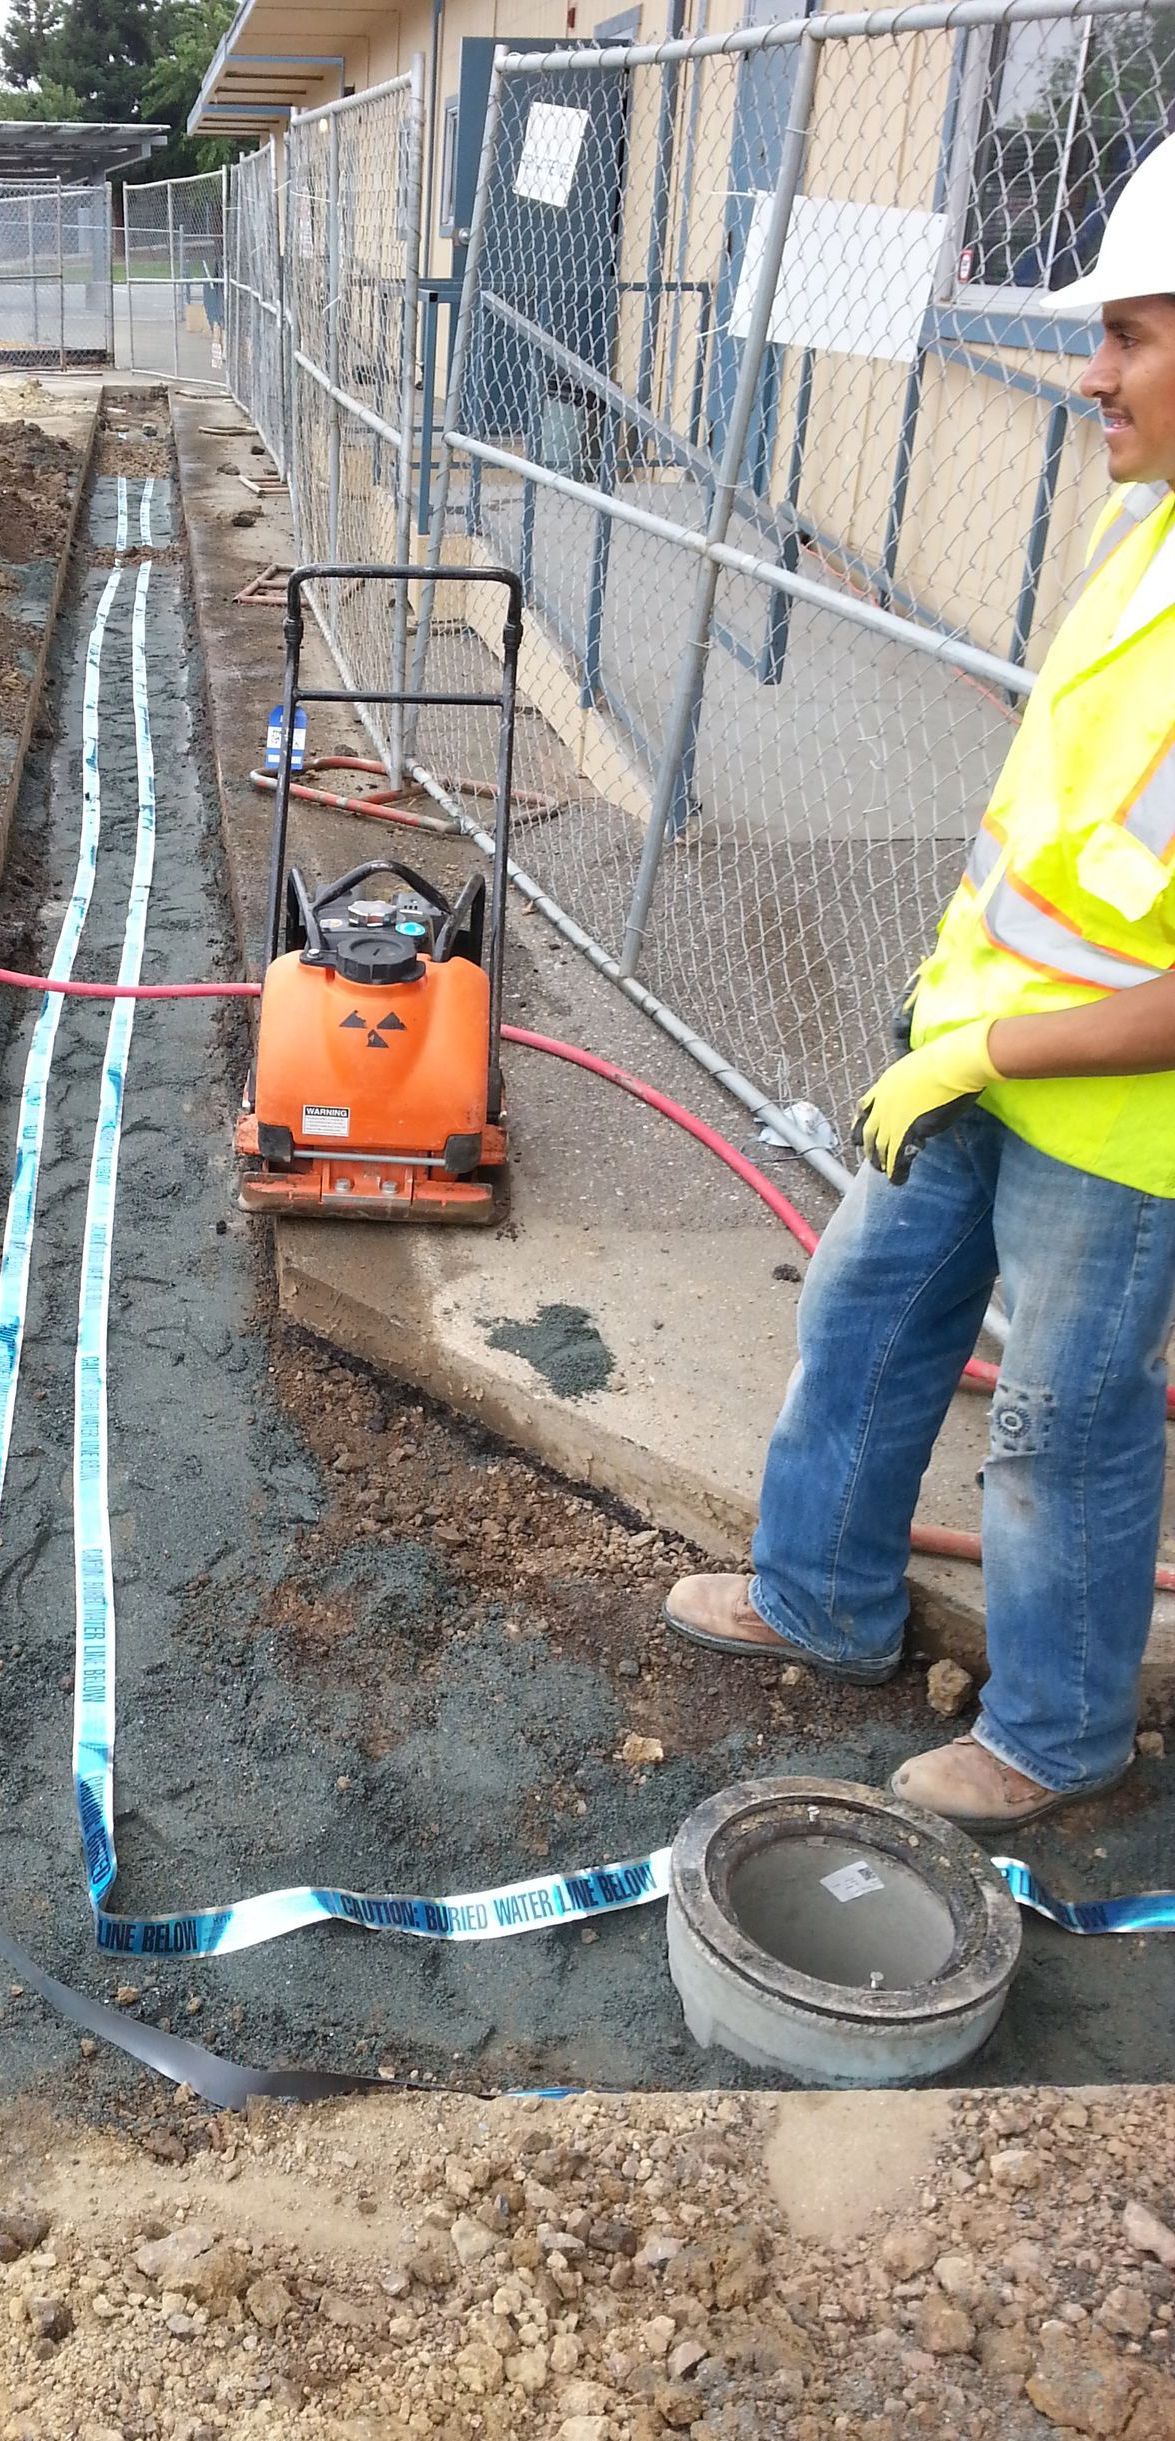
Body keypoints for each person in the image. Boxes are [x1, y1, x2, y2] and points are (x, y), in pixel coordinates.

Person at [664, 135, 1175, 1835]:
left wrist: (997, 1043)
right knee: (868, 1316)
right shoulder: (1146, 532)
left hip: (1116, 1118)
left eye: (1135, 336)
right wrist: (942, 1024)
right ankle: (820, 1597)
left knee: (1059, 1430)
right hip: (976, 1054)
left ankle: (1051, 1734)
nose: (1090, 371)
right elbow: (1052, 831)